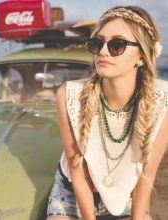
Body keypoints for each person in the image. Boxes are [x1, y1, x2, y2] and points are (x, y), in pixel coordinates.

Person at [46, 5, 168, 220]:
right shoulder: (69, 94)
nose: (102, 51)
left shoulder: (162, 99)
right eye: (97, 43)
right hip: (73, 191)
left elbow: (147, 172)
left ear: (141, 56)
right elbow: (77, 171)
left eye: (117, 45)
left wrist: (137, 217)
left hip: (125, 192)